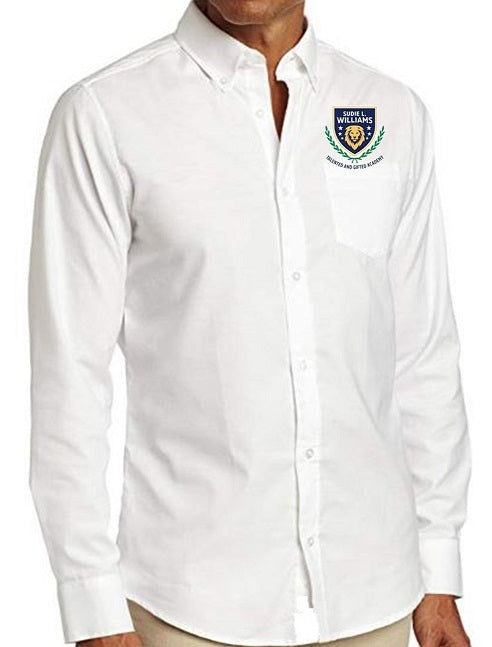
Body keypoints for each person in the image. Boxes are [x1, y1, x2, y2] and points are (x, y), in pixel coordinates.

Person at [27, 1, 473, 646]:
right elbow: (69, 373)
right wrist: (93, 605)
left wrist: (438, 569)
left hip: (376, 594)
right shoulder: (106, 113)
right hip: (188, 606)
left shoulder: (392, 111)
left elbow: (422, 351)